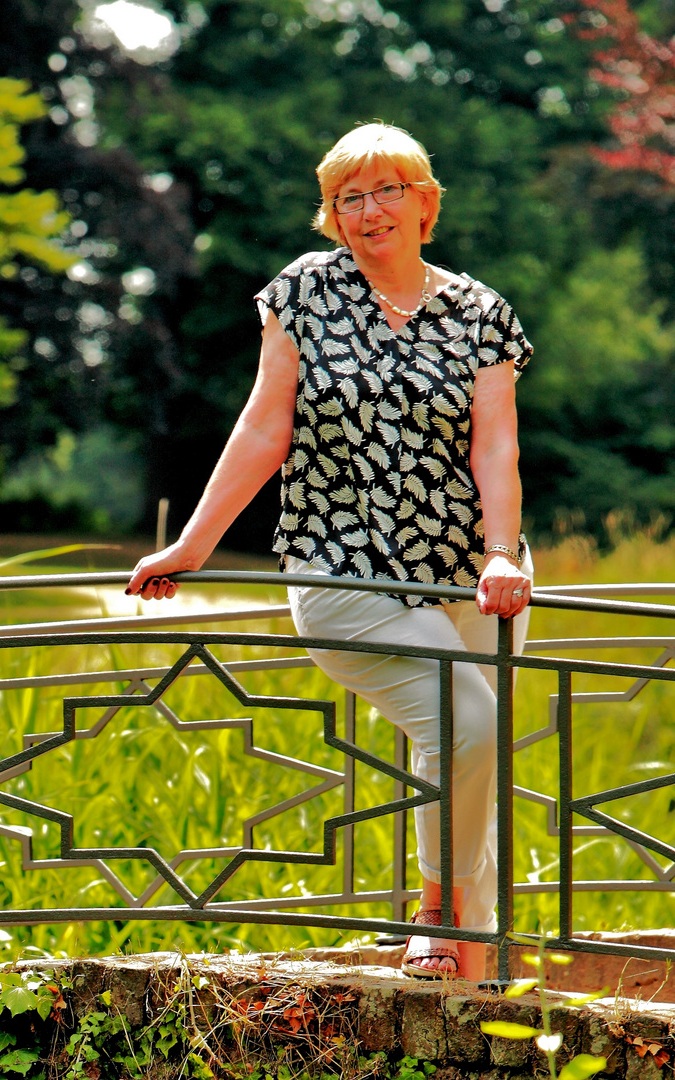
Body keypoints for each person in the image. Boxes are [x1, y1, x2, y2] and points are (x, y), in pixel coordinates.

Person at [125, 122, 533, 981]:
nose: (366, 210)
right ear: (331, 214)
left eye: (385, 190)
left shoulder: (480, 311)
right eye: (347, 197)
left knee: (469, 751)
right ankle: (438, 912)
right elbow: (264, 424)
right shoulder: (305, 292)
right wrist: (193, 544)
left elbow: (493, 444)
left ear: (424, 202)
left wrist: (500, 553)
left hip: (473, 573)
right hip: (338, 562)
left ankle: (478, 970)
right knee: (464, 722)